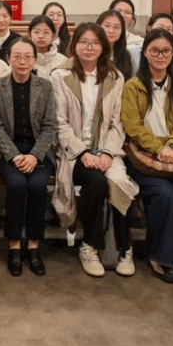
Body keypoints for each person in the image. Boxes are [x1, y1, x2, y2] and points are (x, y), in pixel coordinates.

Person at [53, 23, 139, 278]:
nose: (89, 48)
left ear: (104, 47)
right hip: (74, 151)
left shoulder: (115, 77)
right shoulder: (60, 75)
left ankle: (125, 248)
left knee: (121, 183)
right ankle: (90, 245)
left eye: (95, 43)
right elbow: (60, 122)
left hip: (106, 150)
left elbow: (118, 122)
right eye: (83, 42)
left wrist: (107, 153)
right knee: (97, 182)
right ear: (74, 45)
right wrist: (83, 152)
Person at [121, 29, 173, 284]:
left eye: (166, 51)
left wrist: (172, 145)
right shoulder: (132, 86)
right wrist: (159, 148)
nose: (160, 55)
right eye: (154, 50)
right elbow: (132, 126)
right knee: (163, 194)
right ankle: (161, 257)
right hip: (143, 157)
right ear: (145, 52)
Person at [0, 38, 56, 277]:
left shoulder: (45, 86)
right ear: (8, 59)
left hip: (39, 150)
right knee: (16, 185)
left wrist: (35, 155)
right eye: (17, 56)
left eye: (28, 56)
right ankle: (14, 245)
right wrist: (15, 156)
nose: (22, 61)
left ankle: (34, 245)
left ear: (35, 60)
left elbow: (50, 126)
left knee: (37, 186)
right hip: (7, 151)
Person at [97, 9, 134, 79]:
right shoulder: (91, 52)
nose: (111, 31)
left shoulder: (125, 56)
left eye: (116, 27)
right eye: (107, 26)